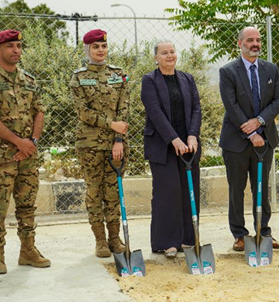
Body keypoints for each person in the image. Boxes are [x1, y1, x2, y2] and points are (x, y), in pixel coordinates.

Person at [0, 30, 51, 274]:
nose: (16, 50)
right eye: (10, 46)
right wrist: (20, 143)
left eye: (18, 45)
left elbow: (39, 110)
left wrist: (32, 142)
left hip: (28, 156)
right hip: (2, 158)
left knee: (27, 206)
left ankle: (28, 250)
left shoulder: (29, 80)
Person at [219, 27, 279, 251]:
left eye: (257, 40)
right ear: (240, 44)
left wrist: (259, 122)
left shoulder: (271, 69)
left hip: (264, 141)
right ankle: (239, 235)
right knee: (237, 190)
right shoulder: (228, 71)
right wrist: (251, 132)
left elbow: (277, 101)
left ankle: (264, 232)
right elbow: (231, 106)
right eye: (250, 40)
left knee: (261, 189)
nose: (255, 43)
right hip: (236, 142)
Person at [70, 29, 129, 258]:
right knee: (94, 192)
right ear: (88, 50)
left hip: (115, 145)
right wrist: (111, 124)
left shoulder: (119, 74)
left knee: (113, 192)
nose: (100, 50)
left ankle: (115, 238)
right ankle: (100, 241)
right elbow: (82, 112)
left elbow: (124, 108)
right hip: (89, 144)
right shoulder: (78, 77)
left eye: (103, 46)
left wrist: (118, 138)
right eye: (95, 47)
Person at [141, 40, 201, 258]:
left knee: (188, 191)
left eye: (172, 52)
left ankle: (188, 238)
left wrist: (192, 135)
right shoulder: (149, 81)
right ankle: (167, 242)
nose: (169, 56)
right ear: (156, 57)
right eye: (164, 53)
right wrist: (174, 139)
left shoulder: (187, 79)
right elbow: (155, 112)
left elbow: (196, 107)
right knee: (168, 193)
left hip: (189, 146)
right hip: (163, 146)